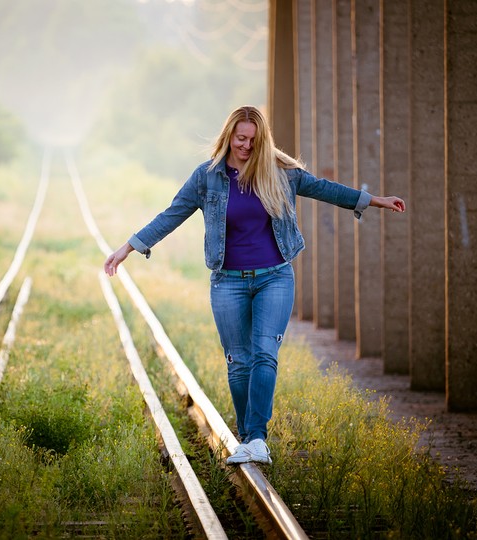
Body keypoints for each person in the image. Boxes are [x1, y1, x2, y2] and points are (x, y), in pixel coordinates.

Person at [103, 105, 405, 465]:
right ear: (229, 136)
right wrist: (128, 247)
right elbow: (172, 215)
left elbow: (325, 189)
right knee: (239, 361)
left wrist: (373, 201)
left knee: (264, 353)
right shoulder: (207, 177)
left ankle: (258, 438)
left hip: (274, 277)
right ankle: (247, 437)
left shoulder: (280, 173)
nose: (246, 146)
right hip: (227, 282)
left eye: (253, 140)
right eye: (241, 138)